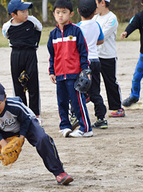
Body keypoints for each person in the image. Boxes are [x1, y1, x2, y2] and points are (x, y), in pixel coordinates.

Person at [47, 0, 93, 138]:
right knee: (61, 102)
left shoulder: (76, 31)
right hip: (60, 74)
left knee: (77, 102)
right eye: (58, 12)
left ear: (71, 14)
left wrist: (85, 70)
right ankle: (65, 126)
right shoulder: (53, 34)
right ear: (54, 14)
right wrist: (52, 71)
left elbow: (83, 52)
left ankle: (86, 128)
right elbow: (52, 55)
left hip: (74, 74)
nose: (60, 15)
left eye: (64, 12)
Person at [2, 0, 43, 125]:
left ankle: (35, 114)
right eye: (23, 11)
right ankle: (23, 113)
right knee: (18, 84)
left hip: (30, 54)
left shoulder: (32, 21)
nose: (26, 13)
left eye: (27, 11)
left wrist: (33, 45)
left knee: (32, 84)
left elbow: (39, 29)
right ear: (13, 14)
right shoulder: (7, 26)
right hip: (16, 54)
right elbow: (7, 36)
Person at [76, 0, 108, 129]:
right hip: (95, 61)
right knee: (95, 91)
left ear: (78, 11)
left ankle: (77, 116)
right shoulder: (96, 25)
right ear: (95, 11)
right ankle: (101, 118)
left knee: (78, 90)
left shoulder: (77, 27)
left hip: (83, 62)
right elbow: (100, 40)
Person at [93, 0, 125, 117]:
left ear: (103, 3)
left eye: (95, 3)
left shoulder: (112, 18)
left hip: (108, 56)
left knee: (110, 82)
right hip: (95, 56)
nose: (93, 6)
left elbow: (102, 36)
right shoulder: (94, 18)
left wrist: (89, 40)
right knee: (93, 82)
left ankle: (117, 107)